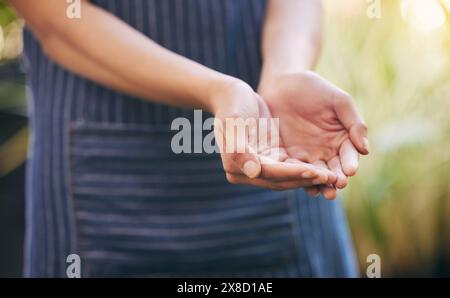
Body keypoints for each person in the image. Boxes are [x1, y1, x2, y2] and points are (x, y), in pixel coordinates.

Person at [10, 0, 368, 277]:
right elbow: (55, 17)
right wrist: (216, 90)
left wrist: (284, 74)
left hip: (279, 145)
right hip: (101, 183)